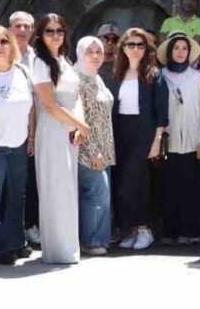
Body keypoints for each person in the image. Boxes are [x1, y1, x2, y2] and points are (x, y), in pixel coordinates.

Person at [30, 14, 87, 265]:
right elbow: (50, 105)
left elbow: (76, 96)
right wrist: (80, 125)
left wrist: (78, 125)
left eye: (59, 30)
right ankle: (57, 249)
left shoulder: (64, 60)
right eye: (49, 31)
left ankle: (69, 247)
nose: (55, 35)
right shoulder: (40, 63)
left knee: (67, 188)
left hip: (69, 128)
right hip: (53, 128)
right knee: (55, 188)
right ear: (41, 35)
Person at [0, 26, 34, 266]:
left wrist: (31, 137)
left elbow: (30, 108)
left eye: (4, 41)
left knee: (17, 195)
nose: (0, 46)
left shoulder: (21, 71)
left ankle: (16, 242)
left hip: (19, 143)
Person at [154, 32, 200, 246]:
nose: (180, 52)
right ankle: (169, 231)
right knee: (168, 186)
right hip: (168, 139)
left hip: (192, 140)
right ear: (169, 51)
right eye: (176, 48)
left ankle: (190, 231)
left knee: (191, 187)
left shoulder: (197, 77)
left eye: (184, 48)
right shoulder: (160, 75)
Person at [112, 28, 161, 251]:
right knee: (122, 183)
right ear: (123, 48)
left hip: (144, 134)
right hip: (121, 132)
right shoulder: (116, 74)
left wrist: (157, 141)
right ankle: (132, 229)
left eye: (140, 45)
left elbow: (161, 113)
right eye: (130, 44)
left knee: (137, 182)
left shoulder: (154, 75)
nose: (135, 49)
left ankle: (144, 229)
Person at [74, 36, 115, 256]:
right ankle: (90, 241)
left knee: (100, 194)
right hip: (88, 149)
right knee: (96, 193)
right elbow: (80, 120)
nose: (95, 56)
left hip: (104, 147)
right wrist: (92, 150)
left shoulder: (96, 78)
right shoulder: (77, 80)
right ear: (80, 53)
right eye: (89, 51)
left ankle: (99, 239)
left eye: (98, 51)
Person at [7, 10, 38, 246]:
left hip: (34, 128)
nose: (22, 30)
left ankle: (30, 226)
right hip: (5, 130)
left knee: (31, 181)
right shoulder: (0, 54)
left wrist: (33, 135)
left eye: (27, 26)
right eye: (18, 26)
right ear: (10, 29)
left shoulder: (38, 59)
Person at [96, 23, 120, 91]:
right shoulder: (89, 62)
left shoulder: (122, 65)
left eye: (114, 39)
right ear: (98, 40)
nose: (110, 43)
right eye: (105, 38)